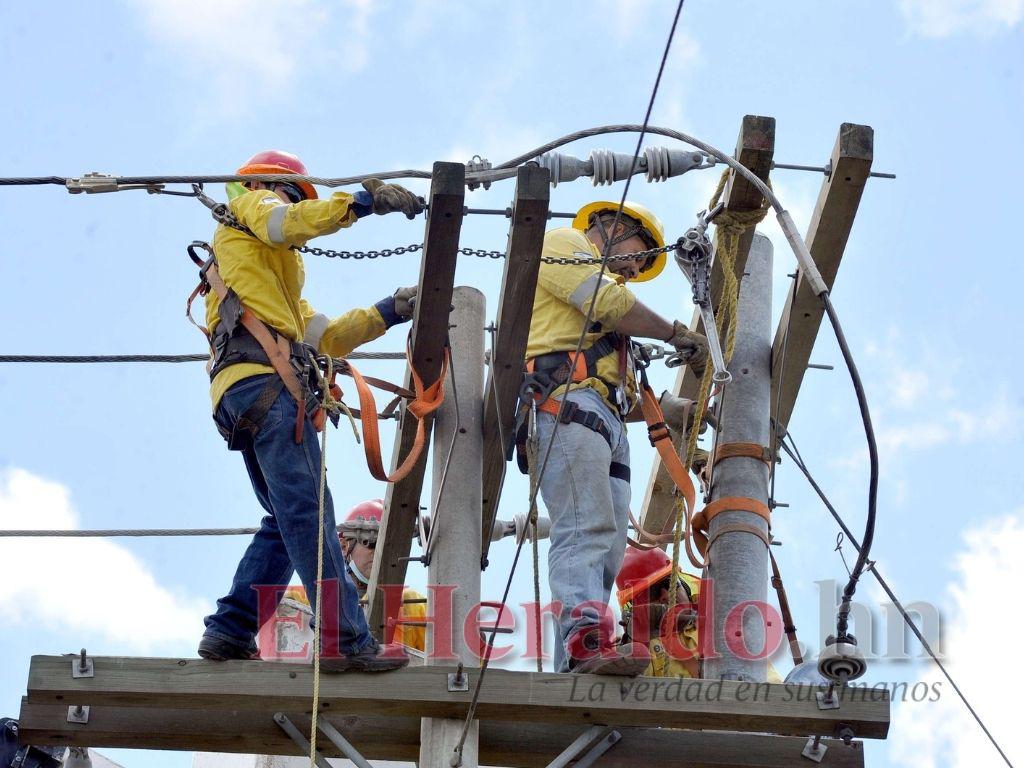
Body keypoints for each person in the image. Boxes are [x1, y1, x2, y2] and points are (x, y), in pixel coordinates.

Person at [197, 150, 424, 672]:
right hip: (265, 386)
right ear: (259, 186)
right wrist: (361, 203)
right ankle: (345, 638)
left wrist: (390, 310)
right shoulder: (250, 210)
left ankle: (231, 629)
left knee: (285, 518)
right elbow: (284, 221)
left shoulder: (269, 286)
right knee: (309, 512)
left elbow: (327, 337)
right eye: (289, 192)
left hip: (245, 391)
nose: (291, 204)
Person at [522, 200, 708, 675]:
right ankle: (583, 640)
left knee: (607, 545)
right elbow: (606, 301)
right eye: (638, 254)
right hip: (567, 406)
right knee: (584, 527)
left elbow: (621, 391)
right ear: (612, 225)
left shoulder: (611, 314)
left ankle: (582, 650)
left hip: (604, 418)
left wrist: (678, 411)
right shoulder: (564, 244)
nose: (636, 270)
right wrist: (675, 334)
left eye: (643, 266)